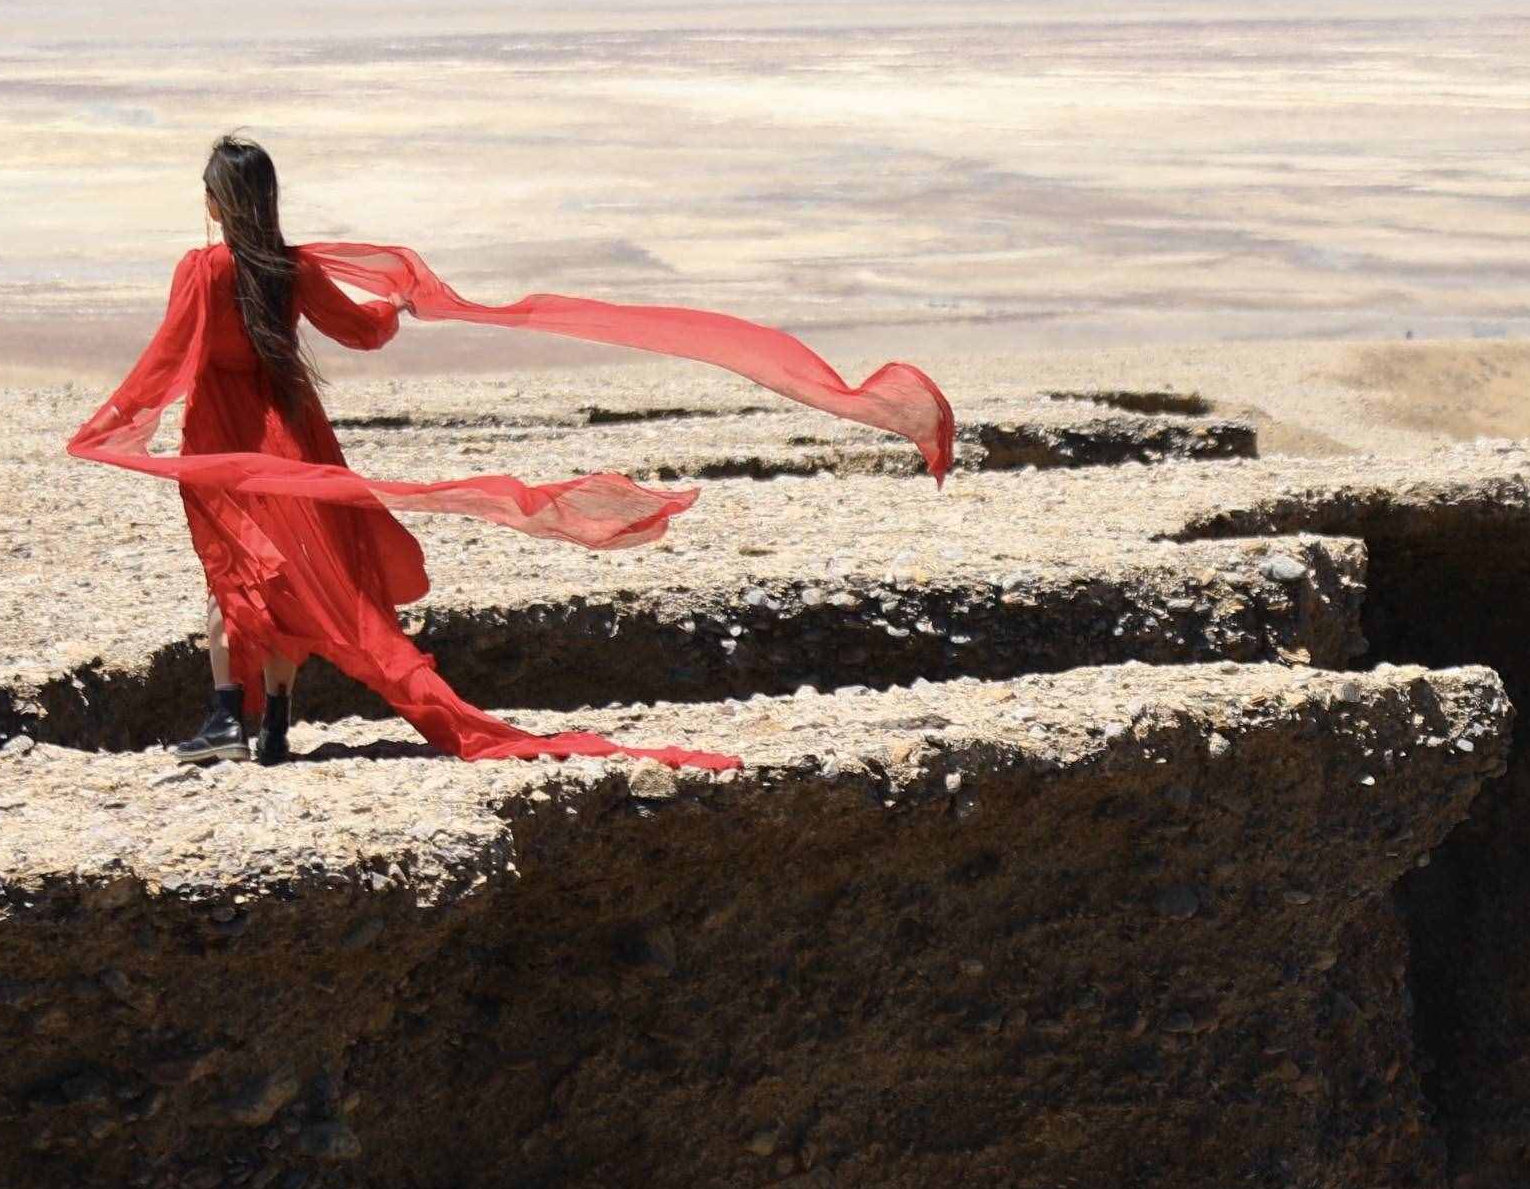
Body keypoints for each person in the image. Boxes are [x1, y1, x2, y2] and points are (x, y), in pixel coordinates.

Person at [71, 134, 953, 771]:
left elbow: (169, 354)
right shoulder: (292, 269)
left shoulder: (202, 268)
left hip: (226, 438)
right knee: (310, 577)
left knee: (239, 571)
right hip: (295, 435)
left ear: (217, 201)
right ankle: (273, 726)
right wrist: (395, 307)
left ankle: (230, 716)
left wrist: (114, 422)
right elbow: (363, 332)